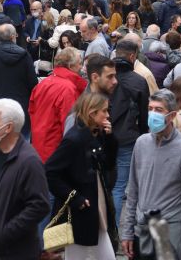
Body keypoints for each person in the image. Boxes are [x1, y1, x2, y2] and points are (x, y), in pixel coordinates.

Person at [121, 89, 181, 260]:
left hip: (167, 232)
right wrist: (127, 231)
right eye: (150, 108)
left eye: (159, 110)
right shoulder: (141, 143)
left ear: (172, 115)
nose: (152, 114)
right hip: (141, 230)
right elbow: (133, 191)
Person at [0, 99, 50, 260]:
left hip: (12, 253)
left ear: (8, 128)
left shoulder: (29, 162)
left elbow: (40, 206)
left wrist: (3, 235)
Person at [45, 93, 118, 260]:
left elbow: (108, 164)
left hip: (96, 205)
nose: (107, 115)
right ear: (92, 113)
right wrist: (74, 197)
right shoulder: (74, 139)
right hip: (81, 212)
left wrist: (110, 139)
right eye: (104, 111)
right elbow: (50, 172)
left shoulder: (96, 133)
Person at [110, 39, 150, 228]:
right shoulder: (139, 81)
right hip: (127, 137)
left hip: (105, 135)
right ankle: (115, 232)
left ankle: (108, 232)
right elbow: (144, 114)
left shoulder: (106, 76)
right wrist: (142, 133)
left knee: (110, 187)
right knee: (119, 188)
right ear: (133, 56)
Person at [29, 47, 87, 162]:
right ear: (70, 66)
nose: (82, 68)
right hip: (56, 149)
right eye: (80, 64)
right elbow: (69, 125)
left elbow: (31, 110)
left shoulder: (44, 83)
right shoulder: (68, 89)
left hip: (39, 144)